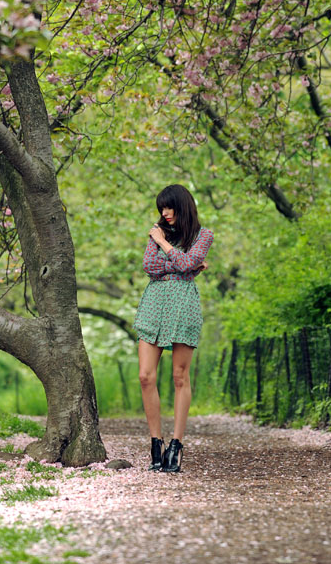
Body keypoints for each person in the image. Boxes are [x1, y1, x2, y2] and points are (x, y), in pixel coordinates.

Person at [133, 184, 213, 473]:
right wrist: (186, 268)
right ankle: (156, 442)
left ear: (182, 205)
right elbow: (149, 267)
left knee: (180, 376)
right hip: (155, 301)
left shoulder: (203, 235)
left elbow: (189, 261)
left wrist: (167, 249)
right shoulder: (159, 229)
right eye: (161, 208)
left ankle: (176, 447)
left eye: (169, 207)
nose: (164, 213)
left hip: (183, 305)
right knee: (145, 376)